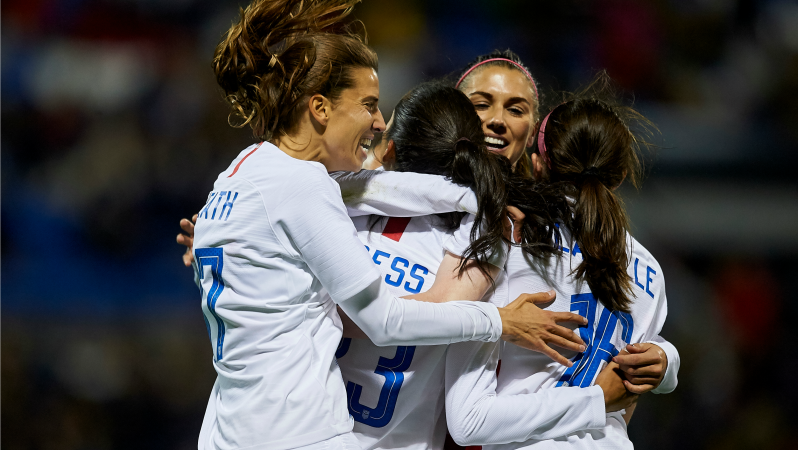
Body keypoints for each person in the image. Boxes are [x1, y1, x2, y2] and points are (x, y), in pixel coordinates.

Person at [191, 2, 584, 449]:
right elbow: (383, 319)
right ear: (320, 107)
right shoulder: (310, 191)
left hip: (228, 431)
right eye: (368, 105)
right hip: (301, 431)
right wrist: (499, 320)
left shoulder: (238, 176)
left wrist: (468, 196)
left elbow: (366, 187)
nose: (378, 122)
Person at [332, 82, 637, 450]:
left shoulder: (336, 212)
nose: (496, 120)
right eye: (481, 103)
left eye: (516, 108)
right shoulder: (488, 238)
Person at [443, 73, 675, 449]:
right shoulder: (650, 270)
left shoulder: (509, 236)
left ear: (537, 165)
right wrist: (668, 362)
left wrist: (594, 400)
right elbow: (631, 392)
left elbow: (470, 423)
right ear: (622, 175)